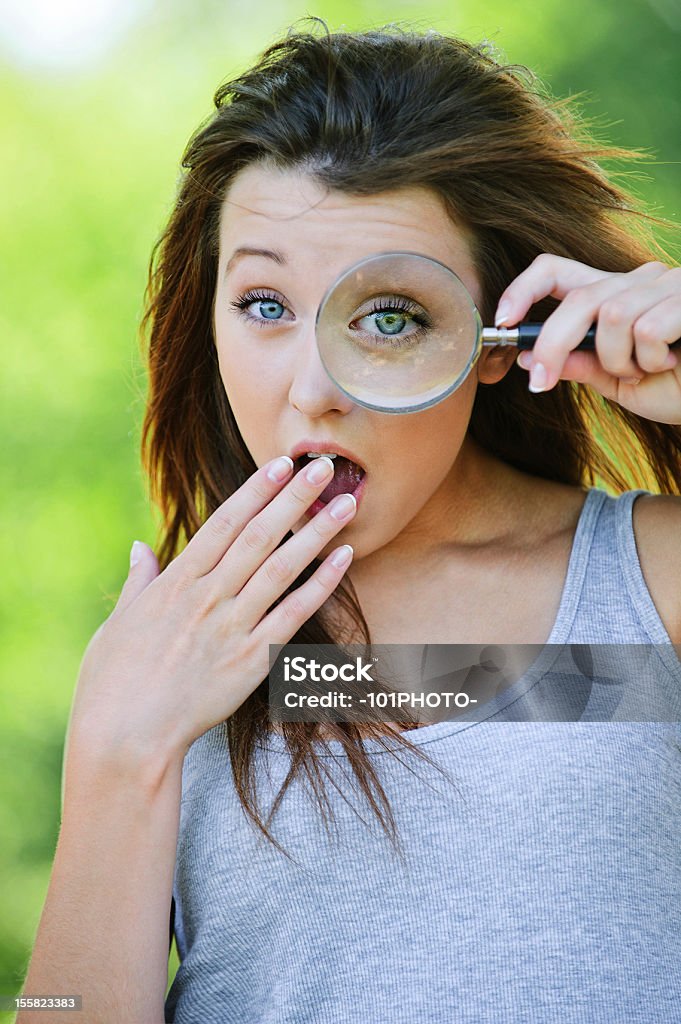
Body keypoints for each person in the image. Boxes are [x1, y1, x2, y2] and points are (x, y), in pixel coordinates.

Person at [18, 21, 681, 1024]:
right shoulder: (174, 657)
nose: (313, 389)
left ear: (500, 335)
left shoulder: (649, 589)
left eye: (389, 316)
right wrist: (119, 755)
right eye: (264, 304)